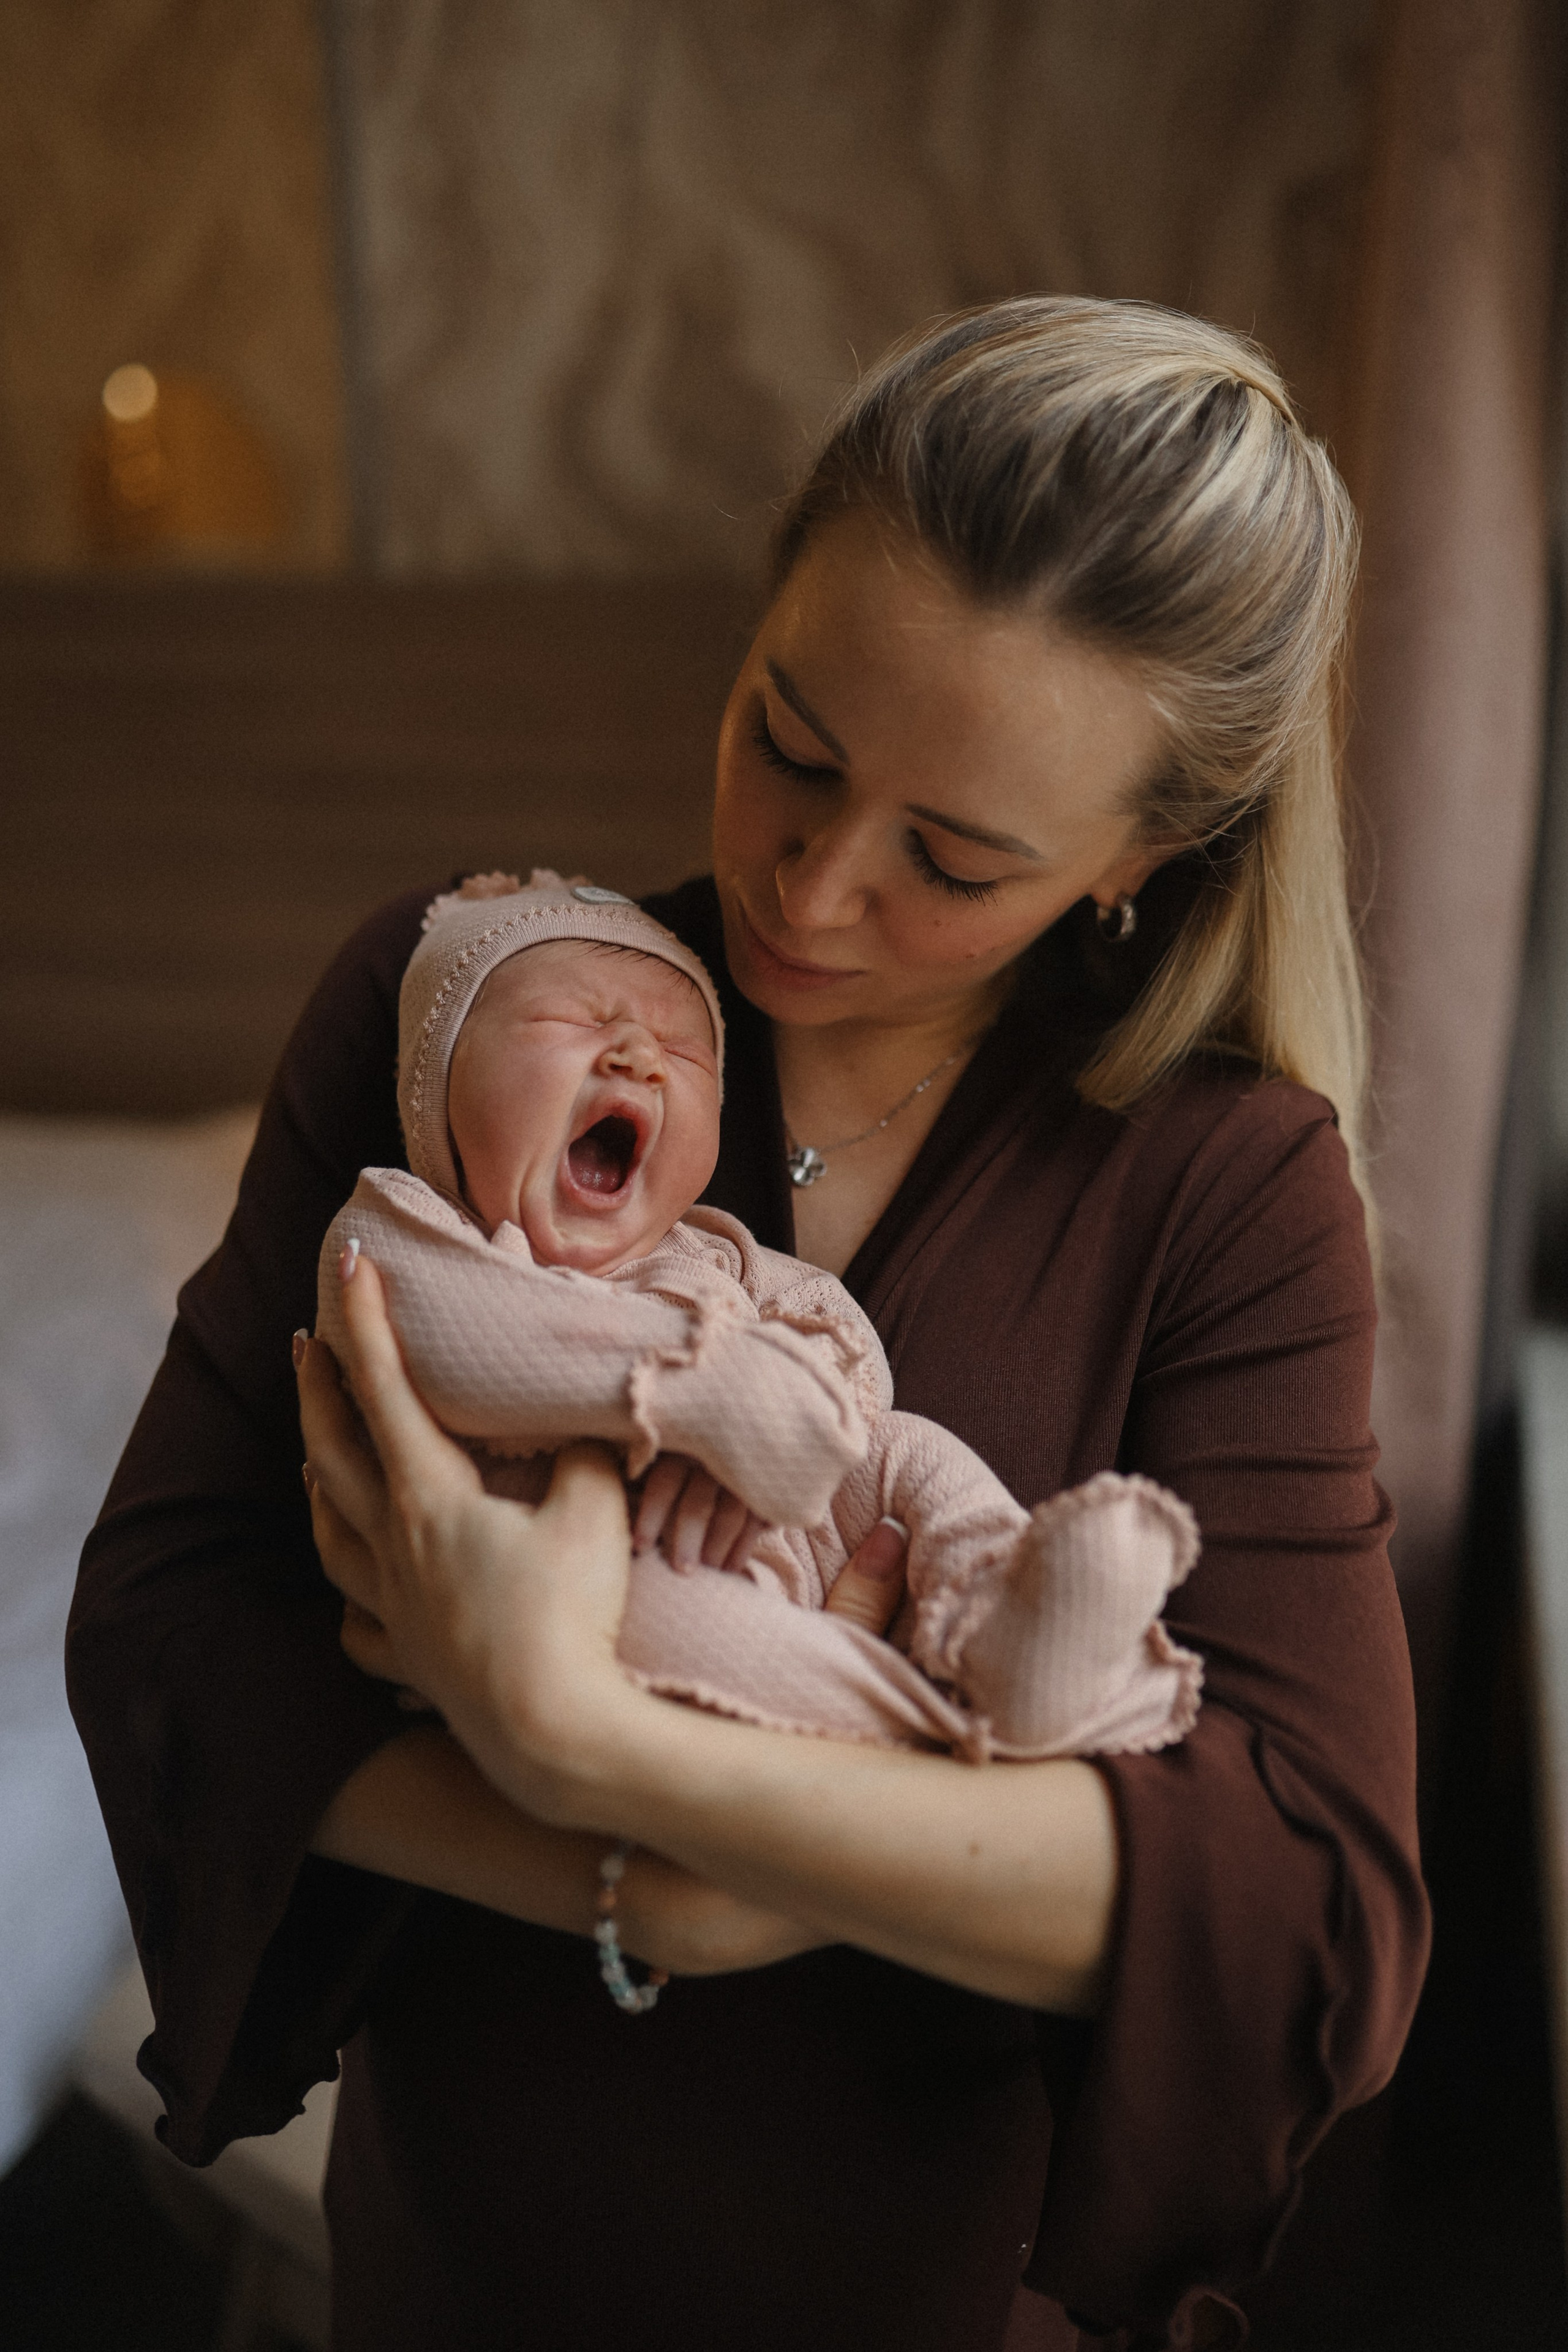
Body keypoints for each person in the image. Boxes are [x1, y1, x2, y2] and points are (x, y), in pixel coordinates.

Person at [67, 296, 1431, 2352]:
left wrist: (581, 1744)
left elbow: (1316, 1912)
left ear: (1140, 861)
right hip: (459, 2272)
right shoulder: (484, 1010)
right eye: (789, 737)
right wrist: (629, 1888)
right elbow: (174, 1614)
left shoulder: (1229, 1193)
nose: (811, 882)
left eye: (955, 860)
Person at [317, 867, 1203, 1768]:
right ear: (435, 1081)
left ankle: (1003, 1610)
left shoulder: (708, 1252)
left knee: (908, 1453)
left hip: (783, 1529)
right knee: (683, 1623)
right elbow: (460, 1346)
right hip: (582, 1579)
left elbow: (837, 1339)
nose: (635, 1053)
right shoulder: (404, 1230)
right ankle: (938, 1728)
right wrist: (720, 1392)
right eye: (570, 1021)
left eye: (684, 1049)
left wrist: (821, 1398)